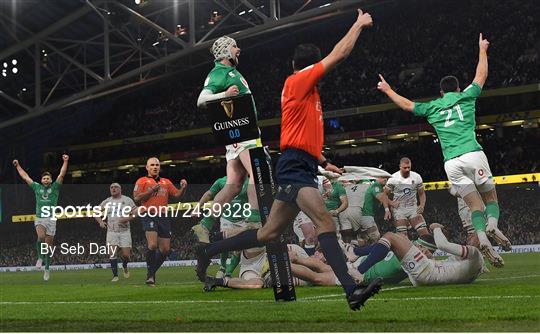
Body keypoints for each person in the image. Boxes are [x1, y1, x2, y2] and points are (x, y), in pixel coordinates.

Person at [195, 9, 382, 310]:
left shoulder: (308, 96)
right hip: (294, 165)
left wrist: (323, 162)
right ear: (307, 66)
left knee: (269, 232)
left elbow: (301, 134)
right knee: (324, 222)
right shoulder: (299, 81)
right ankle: (351, 290)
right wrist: (358, 25)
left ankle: (209, 250)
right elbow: (339, 54)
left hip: (302, 162)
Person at [376, 33, 510, 267]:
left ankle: (481, 237)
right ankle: (492, 225)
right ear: (458, 88)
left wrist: (388, 90)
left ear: (440, 93)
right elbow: (481, 75)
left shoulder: (432, 107)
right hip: (472, 154)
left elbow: (407, 105)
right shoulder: (466, 96)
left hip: (451, 163)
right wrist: (482, 49)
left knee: (474, 206)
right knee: (490, 198)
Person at [193, 35, 261, 243]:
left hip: (238, 132)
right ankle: (254, 220)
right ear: (224, 51)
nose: (238, 49)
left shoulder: (230, 72)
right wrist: (223, 95)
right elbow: (202, 100)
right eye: (234, 46)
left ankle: (204, 225)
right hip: (242, 130)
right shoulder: (218, 73)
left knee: (233, 185)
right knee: (257, 174)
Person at [348, 224, 486, 286]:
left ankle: (359, 270)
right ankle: (356, 254)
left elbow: (442, 245)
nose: (470, 236)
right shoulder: (477, 264)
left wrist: (436, 228)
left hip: (426, 272)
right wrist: (430, 258)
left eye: (475, 235)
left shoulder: (474, 253)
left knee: (391, 237)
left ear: (480, 243)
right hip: (427, 273)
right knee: (396, 239)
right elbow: (450, 266)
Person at [13, 154, 69, 281]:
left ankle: (47, 269)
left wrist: (65, 161)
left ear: (50, 180)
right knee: (41, 237)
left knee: (48, 248)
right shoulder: (37, 187)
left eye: (48, 178)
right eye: (44, 178)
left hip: (51, 219)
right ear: (41, 180)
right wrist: (18, 166)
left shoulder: (55, 187)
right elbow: (25, 177)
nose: (46, 180)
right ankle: (39, 257)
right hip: (40, 218)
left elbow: (62, 174)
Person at [133, 157, 187, 286]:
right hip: (149, 214)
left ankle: (150, 273)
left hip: (163, 216)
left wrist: (183, 187)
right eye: (152, 165)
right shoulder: (141, 181)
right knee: (152, 245)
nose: (155, 167)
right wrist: (151, 190)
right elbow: (136, 198)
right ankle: (151, 275)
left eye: (157, 165)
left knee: (165, 250)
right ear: (147, 167)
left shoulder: (166, 182)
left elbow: (178, 195)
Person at [196, 176, 253, 278]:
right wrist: (198, 207)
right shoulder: (221, 181)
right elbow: (209, 193)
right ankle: (222, 268)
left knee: (239, 248)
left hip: (243, 219)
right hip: (227, 218)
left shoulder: (250, 182)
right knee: (224, 242)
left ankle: (228, 272)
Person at [94, 183, 136, 282]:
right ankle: (115, 276)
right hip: (111, 231)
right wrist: (100, 222)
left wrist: (127, 218)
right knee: (112, 254)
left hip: (124, 231)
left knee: (126, 255)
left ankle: (124, 265)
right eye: (111, 187)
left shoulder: (127, 200)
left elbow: (135, 213)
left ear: (120, 189)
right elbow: (95, 212)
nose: (113, 189)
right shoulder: (107, 201)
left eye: (115, 187)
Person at [385, 157, 430, 238]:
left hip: (413, 208)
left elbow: (422, 193)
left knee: (425, 235)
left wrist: (422, 205)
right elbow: (384, 195)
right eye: (404, 168)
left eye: (409, 167)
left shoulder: (416, 177)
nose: (407, 169)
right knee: (404, 238)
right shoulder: (393, 178)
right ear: (400, 167)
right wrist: (390, 205)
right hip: (399, 210)